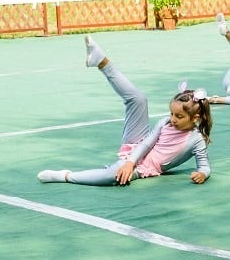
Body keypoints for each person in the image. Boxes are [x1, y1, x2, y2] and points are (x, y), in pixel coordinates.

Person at [38, 36, 212, 186]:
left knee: (114, 175)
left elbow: (204, 166)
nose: (172, 119)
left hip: (145, 167)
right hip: (136, 149)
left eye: (179, 116)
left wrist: (202, 174)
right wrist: (129, 161)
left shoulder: (197, 140)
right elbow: (146, 143)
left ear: (195, 117)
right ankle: (101, 61)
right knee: (138, 99)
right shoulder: (166, 122)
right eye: (171, 113)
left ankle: (66, 176)